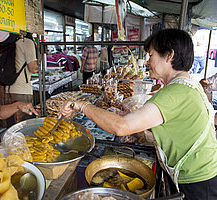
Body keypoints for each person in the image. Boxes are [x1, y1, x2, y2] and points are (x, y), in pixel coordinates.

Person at [60, 29, 217, 200]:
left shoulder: (176, 92)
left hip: (198, 182)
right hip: (195, 176)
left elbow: (121, 127)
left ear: (169, 55)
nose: (148, 61)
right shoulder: (187, 85)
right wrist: (134, 123)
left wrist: (82, 105)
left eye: (151, 55)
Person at [0, 30, 38, 124]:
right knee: (24, 124)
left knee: (11, 125)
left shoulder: (7, 43)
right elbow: (33, 69)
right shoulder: (26, 42)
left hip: (8, 90)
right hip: (22, 91)